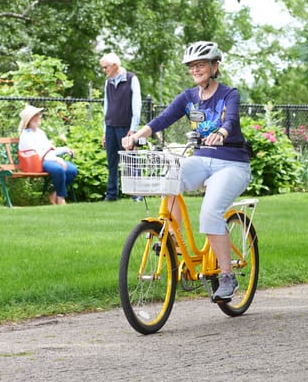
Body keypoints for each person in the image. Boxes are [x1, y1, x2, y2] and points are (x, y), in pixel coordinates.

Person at [122, 41, 252, 300]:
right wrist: (137, 135)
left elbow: (231, 119)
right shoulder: (189, 97)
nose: (196, 69)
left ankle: (227, 276)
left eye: (201, 64)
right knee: (170, 177)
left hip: (232, 163)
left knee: (210, 213)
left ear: (215, 66)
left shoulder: (229, 94)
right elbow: (162, 119)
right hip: (202, 160)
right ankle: (171, 237)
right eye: (192, 66)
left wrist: (222, 132)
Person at [100, 52, 142, 202]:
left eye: (105, 68)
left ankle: (137, 195)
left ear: (115, 66)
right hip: (110, 127)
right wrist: (105, 131)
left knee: (131, 161)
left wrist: (133, 129)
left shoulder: (132, 79)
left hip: (126, 128)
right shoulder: (108, 82)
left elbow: (137, 106)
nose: (104, 70)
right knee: (112, 163)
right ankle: (111, 195)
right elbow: (106, 106)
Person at [18, 105, 78, 206]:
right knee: (59, 169)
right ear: (30, 119)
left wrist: (65, 149)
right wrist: (56, 160)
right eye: (36, 115)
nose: (39, 117)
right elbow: (39, 154)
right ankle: (61, 198)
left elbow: (49, 149)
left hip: (47, 159)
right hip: (37, 162)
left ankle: (55, 194)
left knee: (72, 170)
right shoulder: (26, 135)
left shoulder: (40, 133)